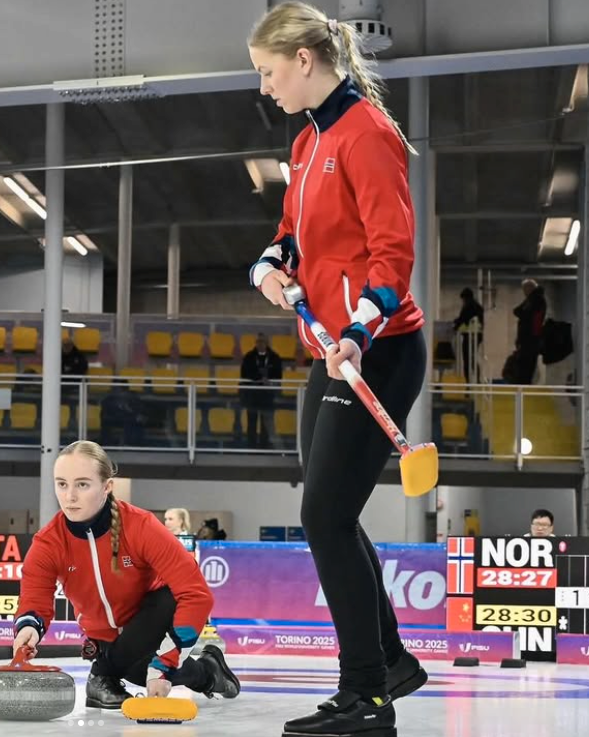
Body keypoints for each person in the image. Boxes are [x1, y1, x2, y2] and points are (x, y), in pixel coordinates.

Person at [248, 4, 429, 735]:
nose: (262, 87)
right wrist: (270, 262)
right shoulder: (305, 141)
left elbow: (393, 255)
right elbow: (293, 233)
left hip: (376, 351)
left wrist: (359, 327)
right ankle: (389, 660)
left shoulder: (368, 135)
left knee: (322, 515)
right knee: (329, 513)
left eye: (266, 72)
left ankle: (367, 697)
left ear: (302, 61)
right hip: (331, 354)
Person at [12, 441, 240, 709]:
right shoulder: (48, 543)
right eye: (62, 484)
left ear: (107, 486)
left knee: (167, 602)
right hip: (108, 641)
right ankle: (209, 672)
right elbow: (34, 599)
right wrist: (28, 628)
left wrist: (165, 665)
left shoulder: (141, 526)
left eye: (82, 484)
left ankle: (102, 673)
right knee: (139, 673)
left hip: (154, 619)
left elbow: (196, 594)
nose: (70, 496)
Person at [240, 333, 283, 448]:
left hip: (267, 395)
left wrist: (269, 381)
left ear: (267, 343)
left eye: (262, 342)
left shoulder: (274, 357)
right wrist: (259, 379)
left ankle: (265, 445)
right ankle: (251, 445)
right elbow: (245, 374)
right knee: (252, 422)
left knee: (266, 423)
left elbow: (278, 374)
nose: (260, 344)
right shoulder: (249, 357)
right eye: (258, 342)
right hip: (252, 395)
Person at [512, 279, 546, 384]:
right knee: (526, 366)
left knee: (526, 367)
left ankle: (524, 389)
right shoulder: (533, 299)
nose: (524, 292)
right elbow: (517, 311)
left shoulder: (536, 300)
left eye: (525, 289)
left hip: (530, 339)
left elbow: (522, 313)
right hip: (529, 339)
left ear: (530, 288)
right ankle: (523, 388)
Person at [453, 288, 484, 382]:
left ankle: (468, 382)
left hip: (469, 336)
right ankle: (477, 379)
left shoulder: (468, 306)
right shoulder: (478, 307)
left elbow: (463, 319)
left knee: (467, 360)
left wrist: (454, 327)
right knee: (472, 358)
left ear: (466, 298)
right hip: (477, 336)